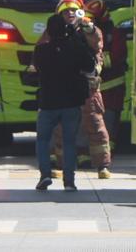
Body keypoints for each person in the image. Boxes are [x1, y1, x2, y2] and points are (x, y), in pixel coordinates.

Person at [33, 10, 96, 192]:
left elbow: (36, 67)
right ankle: (69, 181)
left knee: (43, 140)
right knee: (69, 142)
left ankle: (45, 175)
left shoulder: (41, 51)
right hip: (71, 102)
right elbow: (90, 65)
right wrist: (74, 38)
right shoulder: (74, 47)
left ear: (49, 31)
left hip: (47, 102)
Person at [85, 0, 127, 154]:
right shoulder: (86, 33)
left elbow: (115, 58)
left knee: (107, 125)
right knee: (89, 124)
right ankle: (87, 155)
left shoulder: (114, 34)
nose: (89, 22)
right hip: (94, 89)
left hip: (112, 90)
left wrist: (94, 59)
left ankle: (105, 156)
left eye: (92, 19)